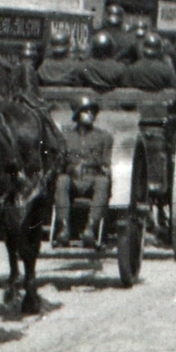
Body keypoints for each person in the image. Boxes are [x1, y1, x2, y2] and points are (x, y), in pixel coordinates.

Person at [54, 92, 113, 246]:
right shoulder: (65, 137)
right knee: (61, 180)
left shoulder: (104, 137)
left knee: (103, 182)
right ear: (78, 114)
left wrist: (104, 172)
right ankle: (64, 229)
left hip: (92, 179)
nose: (91, 114)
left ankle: (91, 229)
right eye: (87, 111)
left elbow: (105, 164)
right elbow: (59, 163)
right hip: (72, 180)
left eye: (93, 111)